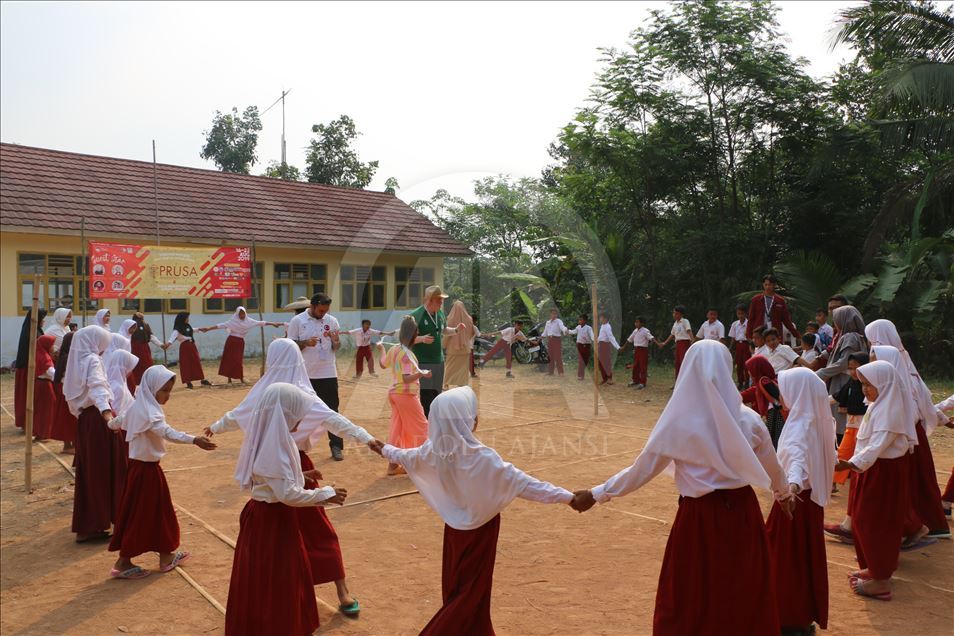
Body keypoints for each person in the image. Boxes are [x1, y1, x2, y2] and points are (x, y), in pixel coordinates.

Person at [571, 340, 787, 635]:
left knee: (691, 589)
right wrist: (783, 493)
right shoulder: (749, 419)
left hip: (699, 519)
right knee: (741, 585)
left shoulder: (678, 423)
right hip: (742, 514)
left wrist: (598, 493)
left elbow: (642, 470)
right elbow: (772, 465)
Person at [368, 386, 573, 635]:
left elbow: (406, 456)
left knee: (459, 589)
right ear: (469, 421)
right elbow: (527, 485)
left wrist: (384, 449)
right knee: (470, 594)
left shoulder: (433, 451)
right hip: (481, 532)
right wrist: (569, 498)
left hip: (454, 532)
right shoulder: (483, 458)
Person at [204, 338, 371, 615]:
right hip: (283, 471)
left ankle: (337, 592)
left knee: (315, 533)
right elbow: (240, 415)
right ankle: (298, 605)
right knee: (291, 544)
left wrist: (366, 438)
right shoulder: (273, 392)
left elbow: (237, 415)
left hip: (296, 467)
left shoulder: (294, 392)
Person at [224, 383, 348, 636]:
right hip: (273, 520)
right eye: (297, 415)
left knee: (266, 577)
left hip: (266, 516)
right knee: (280, 577)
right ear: (284, 414)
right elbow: (287, 494)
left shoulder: (270, 437)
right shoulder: (275, 446)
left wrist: (301, 474)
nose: (300, 421)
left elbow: (272, 479)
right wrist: (326, 494)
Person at [107, 366, 216, 579]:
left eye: (169, 390)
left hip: (141, 469)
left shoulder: (138, 406)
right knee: (142, 514)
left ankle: (166, 556)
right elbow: (165, 432)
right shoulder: (149, 411)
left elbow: (116, 423)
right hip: (145, 471)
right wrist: (194, 439)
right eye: (164, 390)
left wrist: (110, 421)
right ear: (152, 388)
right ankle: (123, 562)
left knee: (157, 512)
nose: (167, 395)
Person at [835, 360, 918, 601]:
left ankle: (881, 579)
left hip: (883, 471)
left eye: (869, 385)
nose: (864, 390)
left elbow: (877, 445)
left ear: (884, 384)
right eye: (862, 384)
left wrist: (849, 463)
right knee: (864, 519)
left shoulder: (892, 410)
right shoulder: (878, 404)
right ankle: (875, 568)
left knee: (876, 521)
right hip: (870, 468)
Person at [766, 368, 836, 635]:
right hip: (808, 504)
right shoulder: (816, 420)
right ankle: (799, 615)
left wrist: (791, 487)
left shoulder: (800, 424)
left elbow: (797, 460)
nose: (781, 394)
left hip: (793, 503)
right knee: (802, 561)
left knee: (785, 562)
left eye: (784, 389)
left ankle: (787, 617)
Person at [868, 343, 949, 540]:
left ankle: (911, 528)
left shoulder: (904, 382)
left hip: (905, 440)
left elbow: (921, 407)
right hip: (904, 439)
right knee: (910, 486)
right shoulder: (891, 381)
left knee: (907, 486)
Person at [64, 325, 123, 543]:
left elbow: (72, 398)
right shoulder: (92, 361)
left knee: (90, 471)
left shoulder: (76, 363)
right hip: (99, 420)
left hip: (85, 422)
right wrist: (108, 418)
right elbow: (98, 389)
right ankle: (108, 519)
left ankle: (89, 525)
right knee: (106, 470)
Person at [287, 293, 346, 460]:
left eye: (325, 311)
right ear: (312, 306)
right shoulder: (297, 321)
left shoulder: (332, 321)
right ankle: (295, 448)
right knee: (299, 411)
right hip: (304, 374)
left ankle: (336, 446)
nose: (323, 314)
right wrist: (305, 343)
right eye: (320, 310)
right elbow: (290, 346)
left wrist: (335, 342)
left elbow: (336, 346)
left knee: (332, 410)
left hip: (327, 372)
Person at [377, 317, 431, 476]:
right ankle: (424, 463)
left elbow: (382, 364)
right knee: (421, 427)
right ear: (413, 334)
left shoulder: (394, 349)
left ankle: (393, 465)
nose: (419, 333)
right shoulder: (406, 354)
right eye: (417, 331)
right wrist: (422, 373)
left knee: (398, 428)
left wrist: (381, 349)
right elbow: (407, 378)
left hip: (395, 394)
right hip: (405, 395)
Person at [409, 285, 465, 416]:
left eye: (442, 300)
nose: (441, 303)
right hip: (423, 361)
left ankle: (436, 418)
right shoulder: (415, 316)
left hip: (438, 360)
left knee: (437, 392)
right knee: (427, 394)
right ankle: (428, 422)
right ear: (429, 301)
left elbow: (444, 330)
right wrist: (421, 338)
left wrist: (456, 330)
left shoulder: (439, 313)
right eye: (439, 300)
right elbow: (407, 338)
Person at [816, 306, 867, 442]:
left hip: (842, 380)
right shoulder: (851, 336)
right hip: (842, 379)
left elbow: (844, 363)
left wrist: (821, 373)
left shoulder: (850, 337)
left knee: (840, 417)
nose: (835, 323)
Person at [200, 306, 279, 383]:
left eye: (243, 313)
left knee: (238, 360)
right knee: (229, 359)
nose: (242, 316)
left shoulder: (249, 321)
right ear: (237, 314)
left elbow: (261, 323)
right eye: (240, 314)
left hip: (240, 342)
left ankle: (240, 377)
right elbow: (220, 325)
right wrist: (208, 328)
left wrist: (273, 323)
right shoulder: (233, 321)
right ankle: (229, 378)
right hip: (231, 341)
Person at [13, 309, 48, 431]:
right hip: (27, 368)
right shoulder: (30, 332)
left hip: (33, 367)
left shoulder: (37, 330)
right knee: (27, 396)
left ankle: (32, 423)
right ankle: (26, 423)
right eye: (42, 317)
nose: (44, 320)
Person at [741, 355, 786, 448]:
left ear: (757, 369)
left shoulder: (764, 382)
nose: (749, 372)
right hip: (772, 415)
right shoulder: (760, 385)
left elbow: (778, 399)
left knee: (775, 442)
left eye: (750, 369)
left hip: (776, 415)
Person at [746, 274, 800, 342]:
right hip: (760, 332)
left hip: (775, 332)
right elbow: (751, 319)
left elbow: (787, 321)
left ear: (774, 285)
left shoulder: (780, 301)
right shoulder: (756, 300)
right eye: (766, 284)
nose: (768, 287)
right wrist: (748, 335)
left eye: (770, 285)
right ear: (763, 285)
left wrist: (797, 335)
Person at [166, 312, 211, 389]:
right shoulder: (177, 330)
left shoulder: (187, 326)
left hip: (192, 346)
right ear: (182, 319)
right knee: (186, 364)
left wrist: (200, 329)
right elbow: (171, 339)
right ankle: (188, 381)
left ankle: (202, 379)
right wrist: (166, 345)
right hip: (185, 347)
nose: (188, 319)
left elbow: (191, 330)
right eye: (187, 318)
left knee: (196, 362)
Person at [50, 328, 77, 453]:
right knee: (68, 418)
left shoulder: (64, 355)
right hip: (67, 390)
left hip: (65, 389)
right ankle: (68, 445)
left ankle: (69, 443)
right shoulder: (68, 357)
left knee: (68, 418)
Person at [442, 300, 476, 388]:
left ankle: (446, 383)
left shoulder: (451, 318)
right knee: (463, 369)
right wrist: (465, 339)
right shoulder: (469, 319)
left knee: (449, 367)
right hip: (465, 349)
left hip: (452, 349)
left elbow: (447, 334)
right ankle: (462, 384)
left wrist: (444, 345)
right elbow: (472, 332)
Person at [29, 334, 57, 441]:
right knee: (46, 410)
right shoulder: (45, 357)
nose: (53, 347)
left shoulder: (38, 354)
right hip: (45, 385)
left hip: (39, 384)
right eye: (52, 345)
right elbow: (51, 373)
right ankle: (43, 433)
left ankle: (39, 432)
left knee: (40, 410)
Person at [129, 312, 166, 388]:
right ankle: (137, 382)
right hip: (135, 348)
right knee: (137, 365)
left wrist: (160, 344)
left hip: (142, 347)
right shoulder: (131, 325)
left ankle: (146, 382)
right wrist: (160, 344)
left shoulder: (145, 325)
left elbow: (150, 336)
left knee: (145, 365)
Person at [656, 305, 693, 381]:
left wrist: (693, 341)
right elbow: (672, 334)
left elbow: (689, 331)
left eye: (676, 313)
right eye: (674, 313)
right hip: (678, 344)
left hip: (685, 343)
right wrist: (664, 343)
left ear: (681, 314)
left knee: (684, 362)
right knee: (677, 363)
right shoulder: (675, 324)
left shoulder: (685, 321)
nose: (674, 315)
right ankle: (677, 382)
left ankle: (685, 381)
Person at [620, 316, 654, 388]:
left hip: (643, 350)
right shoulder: (635, 331)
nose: (636, 323)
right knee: (636, 366)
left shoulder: (645, 331)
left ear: (642, 323)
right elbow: (629, 339)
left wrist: (659, 344)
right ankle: (635, 380)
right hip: (636, 350)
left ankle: (642, 382)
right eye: (635, 322)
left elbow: (651, 338)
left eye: (637, 322)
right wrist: (623, 347)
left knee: (642, 366)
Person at [728, 304, 750, 389]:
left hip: (746, 344)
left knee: (746, 364)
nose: (740, 316)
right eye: (739, 313)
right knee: (739, 364)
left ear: (746, 314)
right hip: (738, 345)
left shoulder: (749, 323)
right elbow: (733, 337)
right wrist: (730, 348)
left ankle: (747, 382)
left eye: (742, 313)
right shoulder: (735, 324)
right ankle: (740, 382)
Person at [542, 308, 569, 376]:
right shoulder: (547, 322)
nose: (554, 315)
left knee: (558, 356)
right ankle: (551, 372)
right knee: (550, 356)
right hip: (550, 340)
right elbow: (545, 332)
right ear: (550, 314)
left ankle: (561, 372)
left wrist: (565, 330)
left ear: (557, 314)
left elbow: (562, 327)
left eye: (555, 313)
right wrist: (540, 337)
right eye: (553, 313)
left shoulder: (558, 321)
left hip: (557, 339)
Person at [567, 314, 594, 381]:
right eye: (579, 319)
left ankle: (581, 373)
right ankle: (580, 375)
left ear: (585, 320)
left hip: (587, 346)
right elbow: (573, 332)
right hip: (579, 345)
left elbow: (592, 336)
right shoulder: (578, 327)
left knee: (586, 361)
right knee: (581, 361)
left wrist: (594, 340)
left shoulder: (589, 328)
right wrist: (567, 331)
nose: (579, 321)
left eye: (581, 320)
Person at [596, 313, 621, 385]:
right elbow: (601, 336)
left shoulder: (607, 327)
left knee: (606, 362)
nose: (600, 319)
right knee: (601, 363)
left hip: (605, 346)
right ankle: (605, 378)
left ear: (605, 319)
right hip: (601, 345)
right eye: (600, 318)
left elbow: (611, 337)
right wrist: (597, 342)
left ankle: (610, 378)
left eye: (601, 318)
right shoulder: (602, 326)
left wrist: (617, 347)